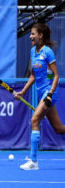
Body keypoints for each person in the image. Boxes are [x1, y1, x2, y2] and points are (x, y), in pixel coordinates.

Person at [15, 23, 65, 170]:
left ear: (40, 36)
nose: (30, 36)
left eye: (33, 34)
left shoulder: (48, 52)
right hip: (42, 92)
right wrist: (23, 92)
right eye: (30, 34)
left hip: (49, 93)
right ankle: (33, 161)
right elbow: (33, 75)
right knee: (59, 128)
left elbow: (56, 76)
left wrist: (49, 94)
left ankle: (33, 161)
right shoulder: (32, 52)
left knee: (34, 119)